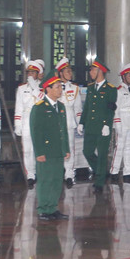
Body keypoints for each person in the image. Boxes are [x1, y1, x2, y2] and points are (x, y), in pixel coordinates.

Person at [31, 71, 71, 220]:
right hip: (45, 151)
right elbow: (36, 131)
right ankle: (43, 209)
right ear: (48, 88)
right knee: (45, 179)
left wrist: (66, 148)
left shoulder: (61, 106)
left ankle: (53, 207)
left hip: (58, 150)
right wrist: (39, 152)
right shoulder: (39, 107)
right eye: (57, 87)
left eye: (61, 87)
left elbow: (64, 130)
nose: (60, 89)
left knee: (56, 179)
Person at [81, 59, 117, 192]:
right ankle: (101, 171)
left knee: (102, 154)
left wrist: (107, 125)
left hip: (103, 128)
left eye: (93, 70)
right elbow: (87, 108)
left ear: (100, 71)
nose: (90, 72)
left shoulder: (110, 89)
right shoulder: (90, 88)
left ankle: (100, 182)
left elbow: (110, 109)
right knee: (87, 152)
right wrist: (81, 123)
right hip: (91, 126)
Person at [13, 60, 43, 188]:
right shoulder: (21, 88)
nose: (30, 74)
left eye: (33, 72)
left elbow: (42, 99)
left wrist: (35, 88)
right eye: (29, 72)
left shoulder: (43, 87)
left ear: (38, 74)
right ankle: (30, 175)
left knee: (39, 148)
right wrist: (17, 124)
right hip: (26, 120)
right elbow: (18, 108)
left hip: (39, 120)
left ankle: (39, 172)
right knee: (27, 150)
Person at [55, 58, 83, 187]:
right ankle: (57, 173)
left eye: (70, 71)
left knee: (70, 148)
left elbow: (77, 107)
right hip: (57, 121)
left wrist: (79, 123)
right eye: (67, 71)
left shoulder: (75, 88)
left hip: (70, 121)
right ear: (60, 73)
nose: (70, 73)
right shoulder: (54, 86)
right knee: (57, 148)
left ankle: (69, 175)